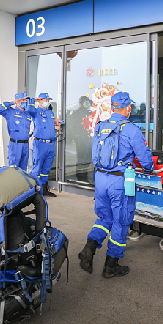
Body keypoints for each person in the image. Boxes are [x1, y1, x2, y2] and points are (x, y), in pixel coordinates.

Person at [78, 92, 153, 278]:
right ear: (127, 108)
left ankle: (89, 248)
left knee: (104, 218)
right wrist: (149, 168)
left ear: (112, 107)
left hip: (100, 179)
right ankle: (111, 265)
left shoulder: (100, 126)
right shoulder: (131, 129)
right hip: (120, 181)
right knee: (121, 221)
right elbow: (145, 159)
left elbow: (96, 153)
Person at [27, 92, 61, 197]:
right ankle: (35, 192)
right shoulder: (35, 111)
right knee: (37, 167)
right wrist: (34, 100)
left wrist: (56, 124)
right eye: (45, 100)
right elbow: (29, 109)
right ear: (40, 101)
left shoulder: (50, 113)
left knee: (46, 168)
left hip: (50, 144)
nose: (47, 102)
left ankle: (44, 190)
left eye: (48, 100)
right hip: (40, 143)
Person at [0, 92, 33, 171]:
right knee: (14, 169)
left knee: (24, 169)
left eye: (26, 100)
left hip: (26, 144)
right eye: (23, 100)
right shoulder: (10, 112)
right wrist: (12, 102)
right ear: (18, 102)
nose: (25, 102)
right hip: (15, 144)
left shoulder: (27, 114)